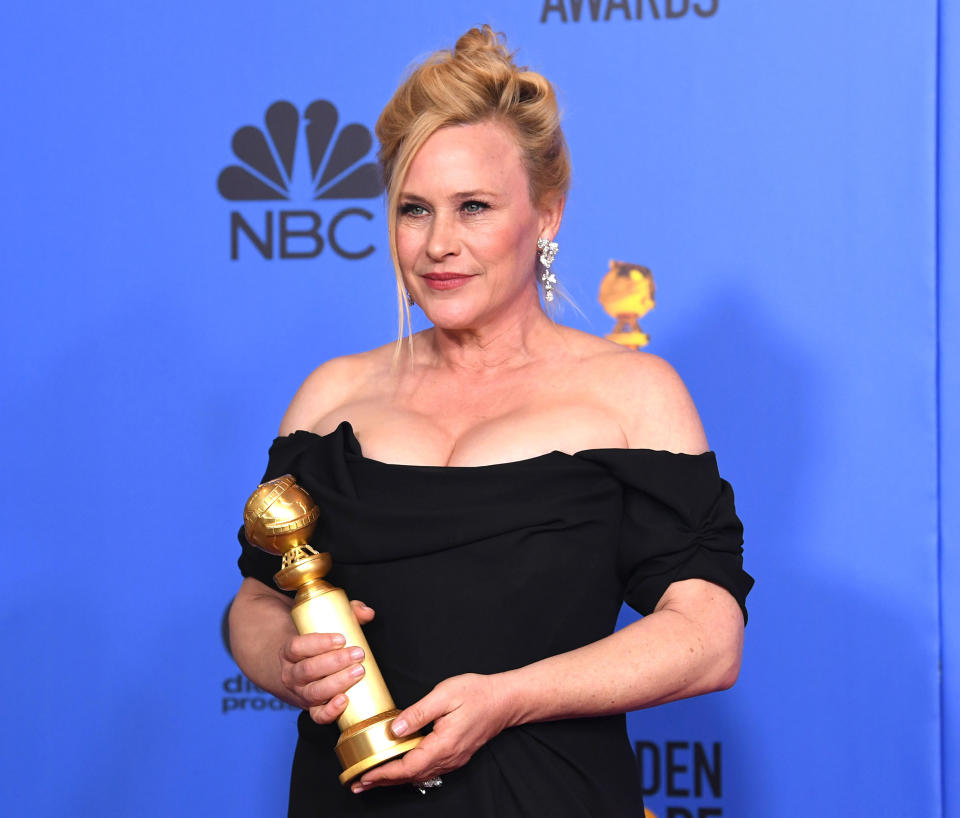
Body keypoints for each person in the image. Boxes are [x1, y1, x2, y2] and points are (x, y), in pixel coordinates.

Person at [229, 25, 753, 818]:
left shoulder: (631, 394)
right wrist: (285, 663)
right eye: (414, 210)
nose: (439, 245)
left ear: (546, 216)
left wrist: (509, 698)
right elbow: (259, 598)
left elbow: (709, 637)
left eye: (474, 207)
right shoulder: (330, 396)